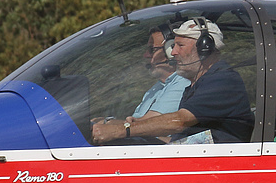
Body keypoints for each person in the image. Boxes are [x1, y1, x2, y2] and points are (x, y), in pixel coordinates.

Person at [91, 18, 254, 144]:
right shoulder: (196, 85)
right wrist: (138, 133)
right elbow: (180, 140)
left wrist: (124, 130)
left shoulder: (222, 81)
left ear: (205, 48)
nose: (173, 53)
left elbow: (180, 121)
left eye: (180, 46)